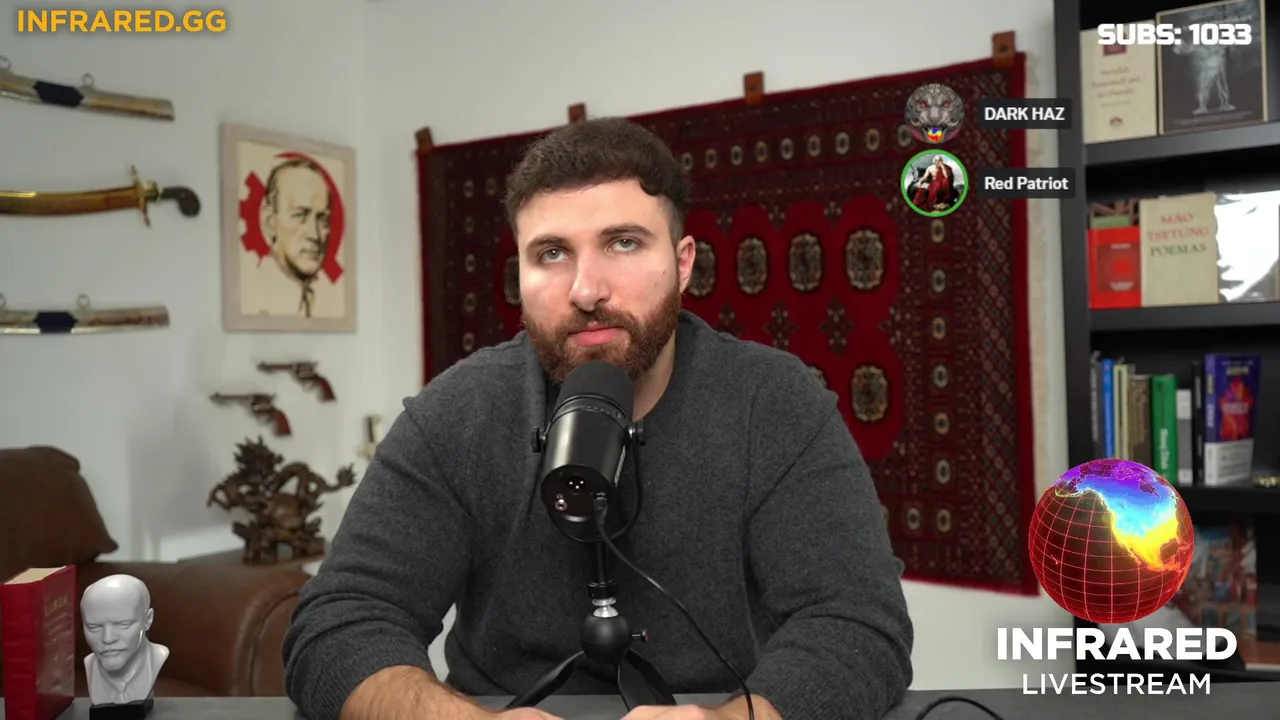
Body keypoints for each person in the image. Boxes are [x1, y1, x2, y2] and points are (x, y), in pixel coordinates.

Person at [283, 117, 913, 720]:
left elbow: (857, 623)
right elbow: (339, 623)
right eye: (552, 253)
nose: (586, 290)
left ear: (684, 263)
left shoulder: (774, 403)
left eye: (623, 243)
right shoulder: (458, 413)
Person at [240, 156, 339, 318]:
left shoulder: (317, 302)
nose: (314, 234)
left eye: (322, 219)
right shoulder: (254, 300)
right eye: (300, 215)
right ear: (270, 221)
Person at [81, 574, 169, 706]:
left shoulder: (157, 658)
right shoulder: (90, 666)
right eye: (94, 627)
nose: (107, 638)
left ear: (148, 620)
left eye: (123, 624)